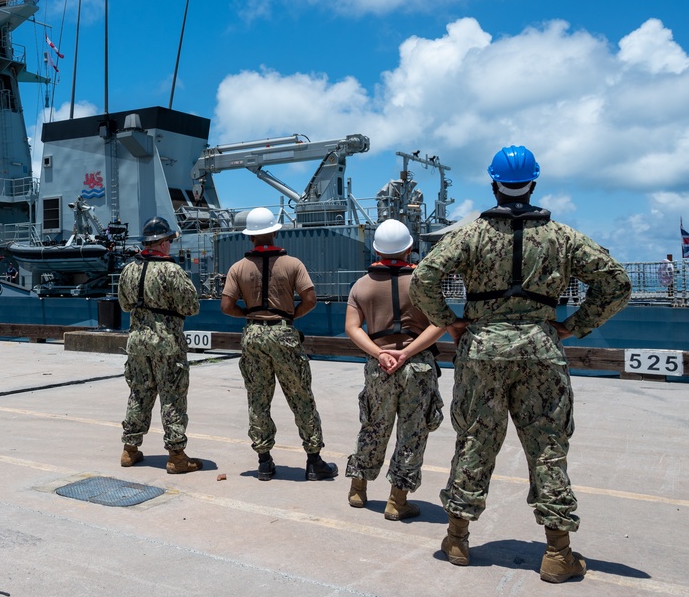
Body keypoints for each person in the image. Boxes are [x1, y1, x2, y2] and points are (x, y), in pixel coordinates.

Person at [409, 145, 632, 583]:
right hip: (540, 348)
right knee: (548, 446)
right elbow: (617, 283)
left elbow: (424, 278)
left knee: (475, 439)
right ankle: (557, 553)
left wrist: (450, 321)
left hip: (482, 348)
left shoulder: (469, 235)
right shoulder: (563, 237)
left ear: (494, 183)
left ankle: (457, 538)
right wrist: (573, 326)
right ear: (534, 182)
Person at [220, 207, 337, 482]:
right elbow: (310, 299)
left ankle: (264, 462)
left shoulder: (238, 268)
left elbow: (226, 306)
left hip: (253, 335)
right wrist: (289, 317)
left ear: (250, 238)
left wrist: (248, 314)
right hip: (284, 333)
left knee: (258, 398)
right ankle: (314, 461)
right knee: (300, 397)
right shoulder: (293, 264)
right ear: (274, 232)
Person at [343, 219, 446, 520]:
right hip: (417, 365)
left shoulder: (361, 285)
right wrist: (407, 353)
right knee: (412, 432)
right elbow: (440, 324)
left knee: (374, 426)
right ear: (410, 248)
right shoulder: (425, 283)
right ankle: (397, 500)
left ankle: (358, 489)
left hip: (379, 365)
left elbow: (351, 327)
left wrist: (380, 353)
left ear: (375, 249)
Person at [117, 216, 204, 474]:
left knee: (139, 393)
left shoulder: (129, 270)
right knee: (172, 396)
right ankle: (177, 456)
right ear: (163, 243)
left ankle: (129, 450)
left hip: (137, 341)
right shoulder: (172, 271)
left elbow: (124, 305)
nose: (170, 246)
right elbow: (192, 306)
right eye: (169, 241)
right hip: (167, 341)